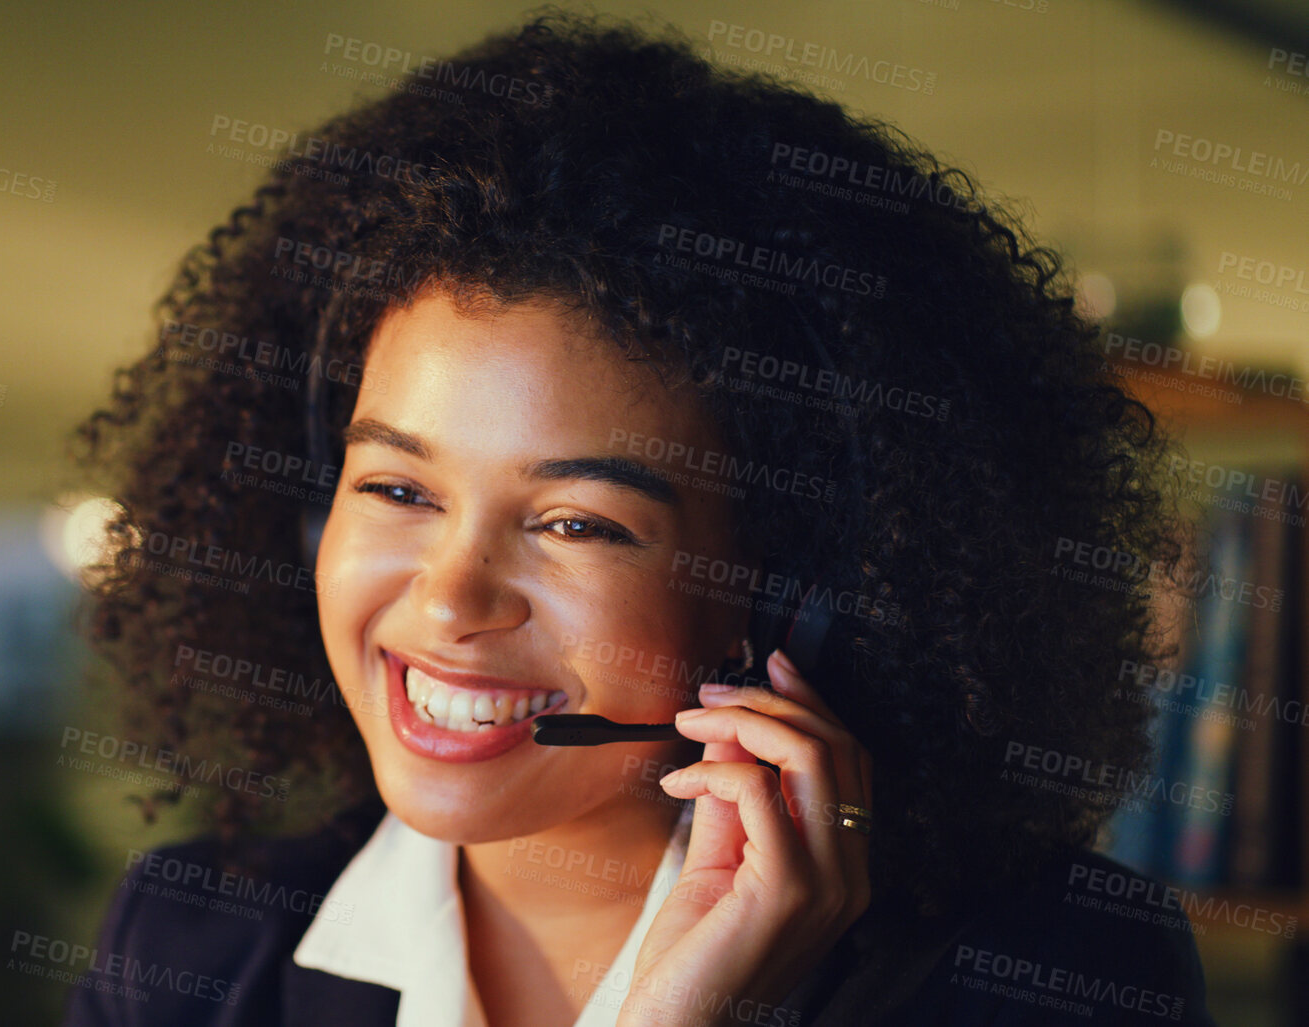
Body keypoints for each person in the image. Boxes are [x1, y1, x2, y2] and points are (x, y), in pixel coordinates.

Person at [66, 12, 1214, 1026]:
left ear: (789, 593)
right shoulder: (188, 950)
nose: (450, 599)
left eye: (575, 523)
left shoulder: (1049, 974)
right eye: (401, 490)